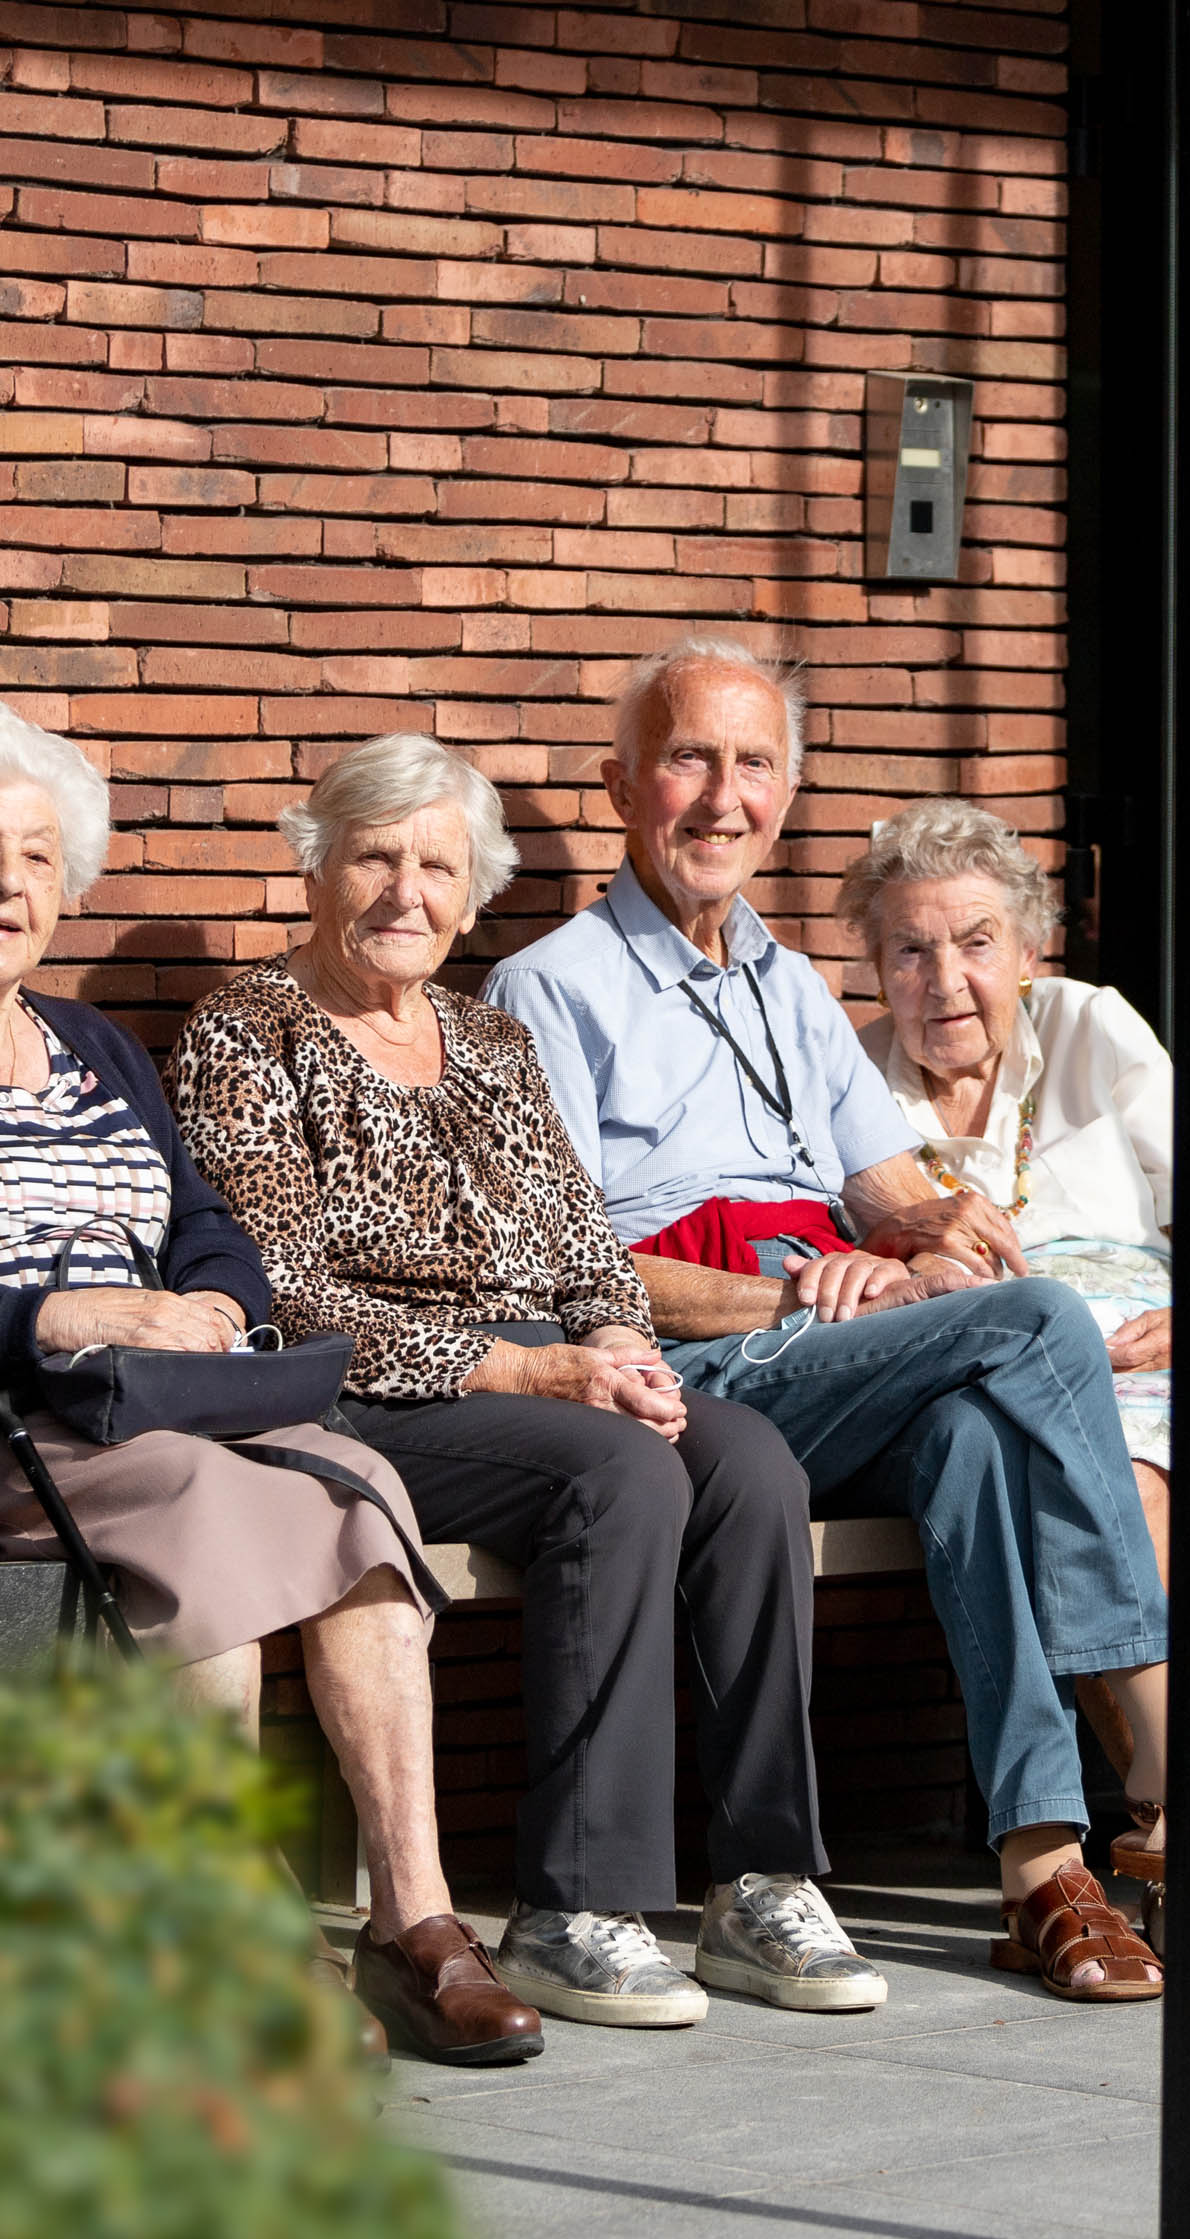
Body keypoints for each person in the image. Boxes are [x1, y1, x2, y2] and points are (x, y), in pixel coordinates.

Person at [488, 636, 1190, 1995]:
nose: (721, 797)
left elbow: (889, 1192)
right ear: (623, 783)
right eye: (690, 758)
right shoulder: (550, 989)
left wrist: (922, 1238)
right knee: (1037, 1327)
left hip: (826, 1359)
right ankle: (1181, 1775)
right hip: (699, 1363)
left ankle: (1044, 1866)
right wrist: (807, 1289)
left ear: (788, 791)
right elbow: (564, 1267)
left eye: (755, 765)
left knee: (983, 1436)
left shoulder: (788, 987)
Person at [0, 699, 544, 2070]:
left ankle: (411, 1920)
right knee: (202, 1507)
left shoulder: (92, 1048)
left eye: (39, 858)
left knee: (359, 1481)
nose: (9, 883)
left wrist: (213, 1303)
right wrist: (48, 1314)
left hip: (140, 1403)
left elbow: (204, 1226)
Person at [168, 733, 883, 2030]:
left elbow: (582, 1245)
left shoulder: (490, 1040)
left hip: (535, 1380)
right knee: (615, 1474)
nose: (405, 892)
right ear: (317, 865)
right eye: (375, 857)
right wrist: (530, 1367)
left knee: (740, 1460)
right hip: (358, 1390)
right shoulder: (245, 1030)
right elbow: (285, 1293)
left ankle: (760, 1875)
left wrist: (615, 1348)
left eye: (436, 866)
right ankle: (574, 1905)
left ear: (473, 889)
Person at [844, 798, 1190, 1976]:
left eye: (976, 941)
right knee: (1121, 1500)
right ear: (874, 962)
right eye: (909, 948)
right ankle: (1172, 1828)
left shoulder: (1094, 1027)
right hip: (1002, 1346)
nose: (945, 978)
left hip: (1160, 1318)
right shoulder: (848, 1081)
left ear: (1029, 950)